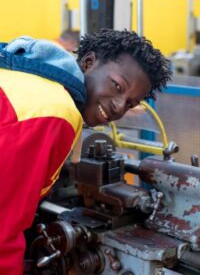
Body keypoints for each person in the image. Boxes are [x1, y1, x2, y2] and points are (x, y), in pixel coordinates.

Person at [0, 28, 172, 274]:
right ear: (89, 62)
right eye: (117, 86)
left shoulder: (28, 76)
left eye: (131, 103)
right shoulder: (56, 112)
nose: (118, 106)